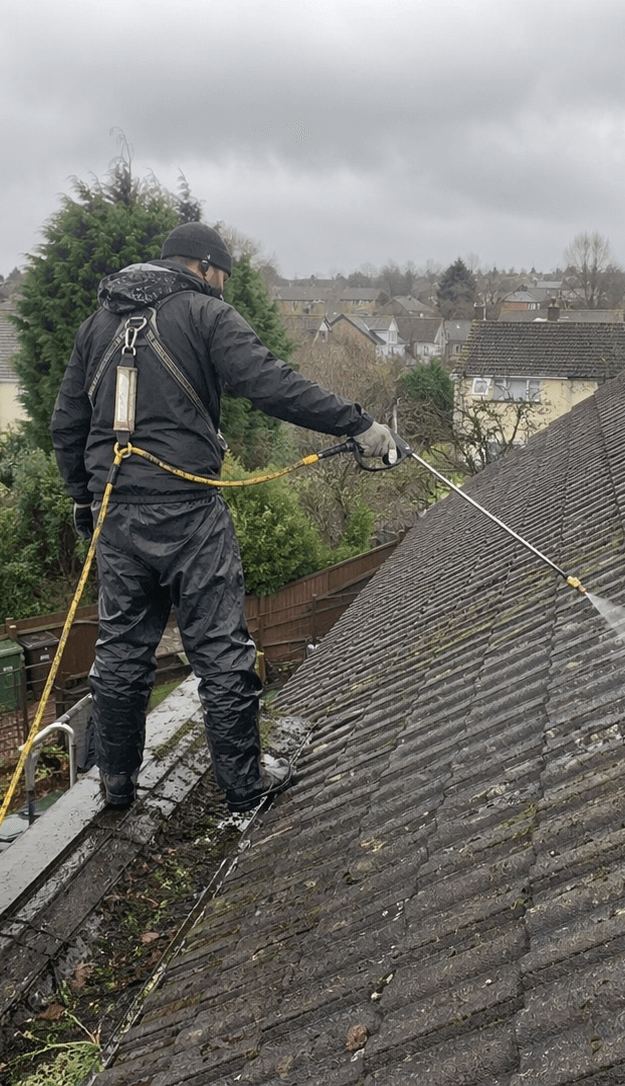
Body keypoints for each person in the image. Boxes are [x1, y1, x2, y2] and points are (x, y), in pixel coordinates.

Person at [51, 222, 396, 811]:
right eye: (224, 278)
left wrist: (84, 499)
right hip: (188, 513)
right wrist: (357, 423)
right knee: (219, 649)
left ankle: (115, 786)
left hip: (118, 514)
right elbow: (271, 385)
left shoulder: (97, 325)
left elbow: (67, 424)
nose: (224, 289)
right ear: (206, 268)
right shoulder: (206, 316)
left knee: (120, 653)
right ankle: (243, 787)